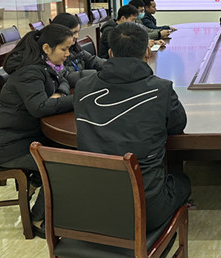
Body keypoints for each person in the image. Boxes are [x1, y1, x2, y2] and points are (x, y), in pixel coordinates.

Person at [74, 22, 190, 231]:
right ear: (147, 52)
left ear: (110, 53)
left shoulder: (83, 87)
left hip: (90, 206)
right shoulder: (161, 89)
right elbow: (177, 126)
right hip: (145, 210)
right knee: (182, 181)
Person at [0, 23, 75, 238]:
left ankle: (34, 184)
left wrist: (59, 95)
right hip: (7, 146)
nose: (68, 54)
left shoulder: (45, 65)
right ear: (46, 48)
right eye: (64, 49)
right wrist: (76, 100)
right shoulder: (29, 71)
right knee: (60, 165)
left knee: (68, 151)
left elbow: (62, 80)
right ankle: (37, 219)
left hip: (24, 136)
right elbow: (39, 107)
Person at [51, 12, 105, 87]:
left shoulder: (74, 48)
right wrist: (97, 74)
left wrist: (111, 66)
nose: (77, 36)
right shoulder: (53, 54)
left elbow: (92, 60)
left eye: (78, 32)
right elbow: (66, 77)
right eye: (73, 33)